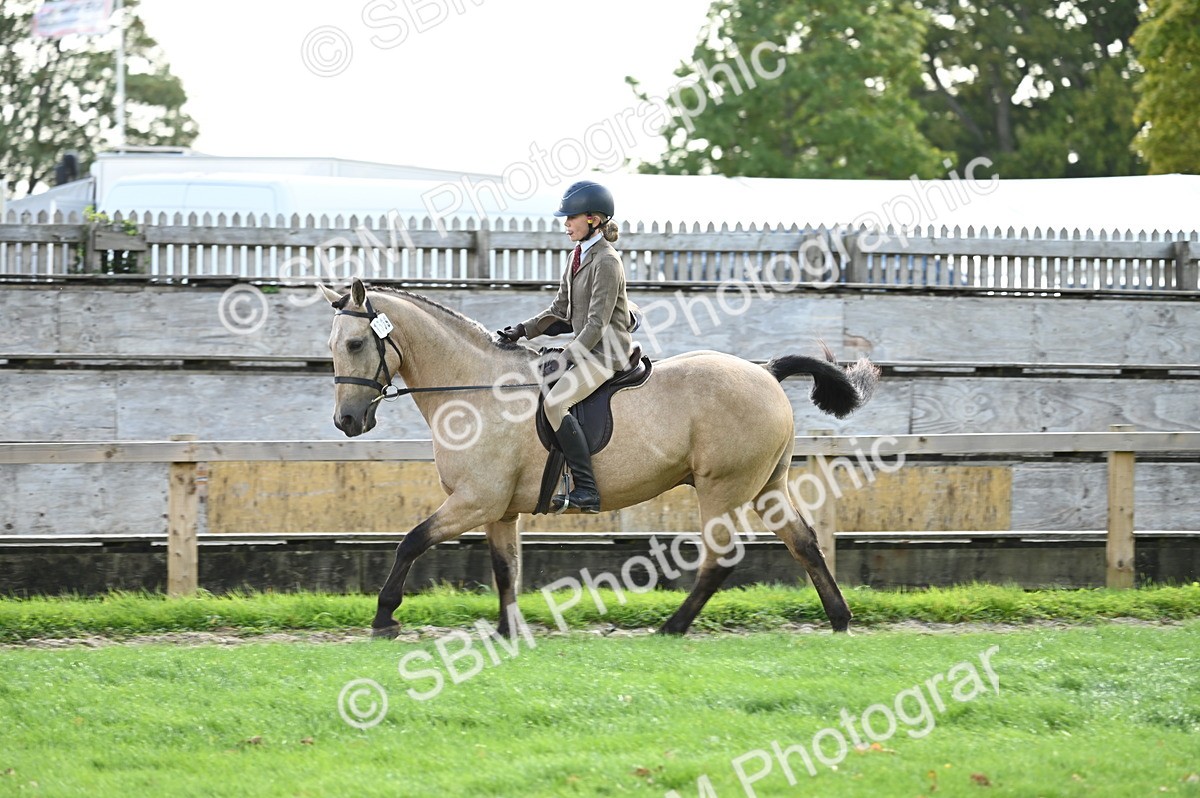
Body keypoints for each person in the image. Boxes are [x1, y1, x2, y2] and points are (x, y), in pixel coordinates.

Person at [496, 180, 637, 513]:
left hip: (606, 354)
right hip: (588, 346)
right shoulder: (577, 255)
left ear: (593, 219)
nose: (565, 223)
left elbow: (596, 325)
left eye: (571, 217)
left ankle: (587, 490)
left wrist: (567, 357)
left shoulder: (606, 261)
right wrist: (522, 331)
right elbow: (560, 311)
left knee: (555, 404)